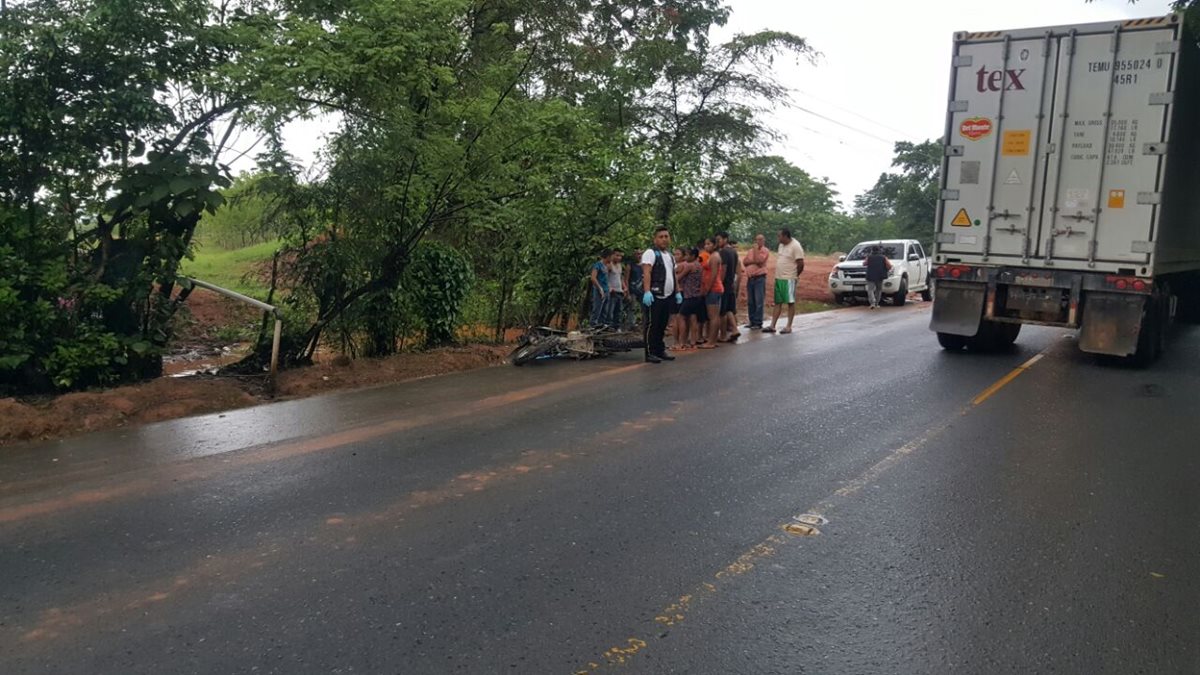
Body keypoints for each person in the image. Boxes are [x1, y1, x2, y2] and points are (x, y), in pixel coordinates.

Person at [640, 227, 681, 363]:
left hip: (667, 296)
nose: (664, 239)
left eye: (666, 236)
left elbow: (673, 275)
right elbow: (647, 272)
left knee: (662, 324)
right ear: (655, 239)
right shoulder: (650, 253)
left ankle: (659, 349)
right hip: (654, 295)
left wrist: (677, 292)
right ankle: (650, 352)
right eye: (661, 237)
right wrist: (647, 291)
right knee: (652, 325)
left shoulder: (669, 256)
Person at [764, 228, 806, 335]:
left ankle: (788, 326)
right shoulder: (781, 245)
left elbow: (800, 263)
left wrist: (795, 275)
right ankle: (772, 325)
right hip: (779, 277)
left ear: (786, 236)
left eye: (779, 236)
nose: (778, 238)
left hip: (789, 278)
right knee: (778, 301)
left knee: (790, 302)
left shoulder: (795, 246)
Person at [716, 232, 743, 343]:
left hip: (725, 285)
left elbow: (723, 269)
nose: (718, 242)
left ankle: (722, 335)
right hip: (731, 283)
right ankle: (735, 329)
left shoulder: (723, 252)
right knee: (729, 310)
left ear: (725, 239)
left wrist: (720, 283)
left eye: (719, 240)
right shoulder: (733, 252)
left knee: (722, 312)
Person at [699, 237, 724, 350]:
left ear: (714, 245)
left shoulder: (714, 257)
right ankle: (713, 339)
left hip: (713, 289)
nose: (706, 246)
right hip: (715, 289)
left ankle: (711, 342)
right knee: (715, 316)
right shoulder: (713, 256)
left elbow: (713, 275)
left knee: (713, 317)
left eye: (709, 244)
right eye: (705, 244)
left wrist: (707, 289)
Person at [676, 247, 704, 349]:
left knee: (681, 317)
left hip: (689, 296)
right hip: (697, 295)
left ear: (693, 256)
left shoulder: (690, 266)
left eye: (687, 255)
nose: (685, 257)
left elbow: (679, 277)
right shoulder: (699, 265)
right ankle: (693, 341)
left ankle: (682, 342)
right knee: (693, 318)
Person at [742, 234, 770, 330]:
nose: (759, 241)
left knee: (759, 301)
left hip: (759, 278)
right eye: (757, 239)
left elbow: (759, 261)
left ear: (764, 240)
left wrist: (754, 254)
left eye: (761, 239)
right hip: (750, 278)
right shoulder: (750, 251)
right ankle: (752, 321)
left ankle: (758, 322)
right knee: (750, 301)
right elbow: (745, 262)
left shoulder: (765, 250)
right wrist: (752, 260)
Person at [864, 245, 893, 309]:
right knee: (879, 289)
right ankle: (877, 303)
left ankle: (872, 303)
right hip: (880, 275)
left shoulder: (869, 257)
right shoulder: (883, 257)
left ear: (872, 250)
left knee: (870, 289)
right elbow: (889, 266)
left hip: (870, 275)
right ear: (879, 250)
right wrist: (886, 269)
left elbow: (864, 263)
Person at [590, 249, 612, 328]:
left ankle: (601, 325)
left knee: (605, 310)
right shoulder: (597, 265)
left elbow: (607, 277)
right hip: (599, 290)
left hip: (606, 290)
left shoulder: (607, 266)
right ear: (608, 256)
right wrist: (600, 288)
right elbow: (593, 278)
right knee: (597, 308)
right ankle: (593, 325)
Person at [606, 250, 626, 328]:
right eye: (617, 255)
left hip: (619, 291)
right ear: (613, 255)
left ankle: (617, 327)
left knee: (619, 310)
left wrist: (624, 287)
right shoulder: (609, 265)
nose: (619, 257)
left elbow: (620, 277)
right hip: (612, 291)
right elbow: (605, 277)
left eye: (620, 256)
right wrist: (609, 287)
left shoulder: (620, 265)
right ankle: (608, 326)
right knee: (610, 310)